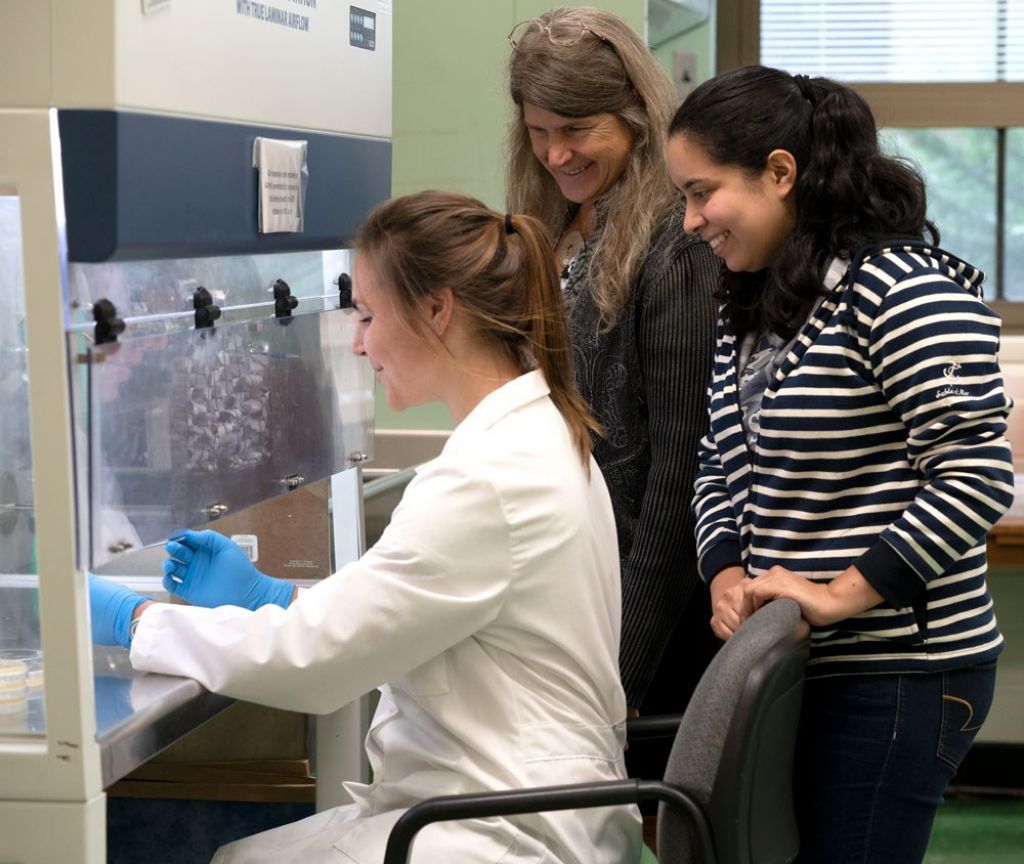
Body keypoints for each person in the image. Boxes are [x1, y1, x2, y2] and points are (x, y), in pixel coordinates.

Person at [88, 190, 642, 864]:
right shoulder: (533, 431)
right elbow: (399, 611)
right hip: (518, 795)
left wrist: (135, 619)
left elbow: (313, 667)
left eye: (369, 315)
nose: (355, 342)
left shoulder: (487, 477)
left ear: (438, 309)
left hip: (507, 823)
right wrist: (277, 599)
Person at [667, 65, 1013, 864]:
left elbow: (974, 477)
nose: (689, 222)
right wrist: (722, 570)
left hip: (899, 671)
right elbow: (719, 456)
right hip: (798, 660)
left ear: (780, 173)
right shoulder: (754, 300)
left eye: (701, 192)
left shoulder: (904, 292)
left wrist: (836, 596)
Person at [505, 6, 720, 722]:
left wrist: (622, 667)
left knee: (658, 816)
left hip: (654, 606)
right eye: (538, 132)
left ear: (635, 120)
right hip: (571, 588)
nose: (555, 154)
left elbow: (678, 474)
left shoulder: (676, 246)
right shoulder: (552, 226)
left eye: (576, 130)